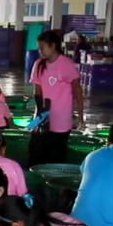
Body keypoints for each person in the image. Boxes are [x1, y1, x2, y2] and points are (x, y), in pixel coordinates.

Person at [28, 30, 84, 167]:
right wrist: (38, 116)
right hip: (42, 119)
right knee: (36, 155)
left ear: (52, 46)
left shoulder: (66, 65)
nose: (40, 51)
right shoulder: (38, 65)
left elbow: (77, 92)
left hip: (61, 121)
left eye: (42, 47)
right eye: (38, 48)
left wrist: (80, 116)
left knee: (55, 157)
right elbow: (37, 92)